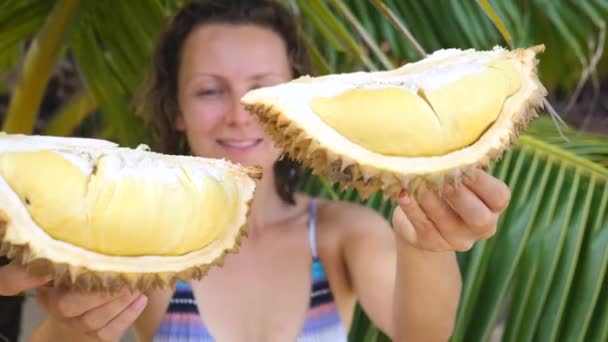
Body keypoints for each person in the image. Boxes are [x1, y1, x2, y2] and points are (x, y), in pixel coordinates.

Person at [31, 0, 511, 341]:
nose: (240, 115)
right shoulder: (146, 248)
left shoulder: (340, 235)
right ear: (176, 109)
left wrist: (423, 244)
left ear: (296, 107)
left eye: (261, 90)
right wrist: (72, 325)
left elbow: (420, 333)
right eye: (209, 91)